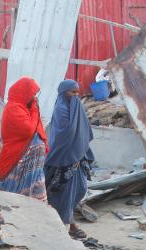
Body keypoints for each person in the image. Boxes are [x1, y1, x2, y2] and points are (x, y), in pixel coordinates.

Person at [0, 76, 48, 245]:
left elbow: (38, 130)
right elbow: (27, 130)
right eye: (33, 94)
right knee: (8, 197)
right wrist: (34, 109)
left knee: (36, 197)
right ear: (24, 93)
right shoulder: (14, 109)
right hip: (16, 163)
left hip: (33, 168)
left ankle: (32, 233)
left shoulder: (28, 109)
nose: (35, 98)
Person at [45, 79, 94, 240]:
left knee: (79, 189)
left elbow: (83, 131)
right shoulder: (61, 109)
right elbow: (62, 136)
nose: (76, 96)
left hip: (78, 157)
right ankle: (70, 227)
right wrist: (71, 154)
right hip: (62, 160)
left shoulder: (76, 107)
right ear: (63, 93)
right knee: (63, 194)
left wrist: (80, 152)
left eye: (77, 92)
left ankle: (65, 225)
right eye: (72, 92)